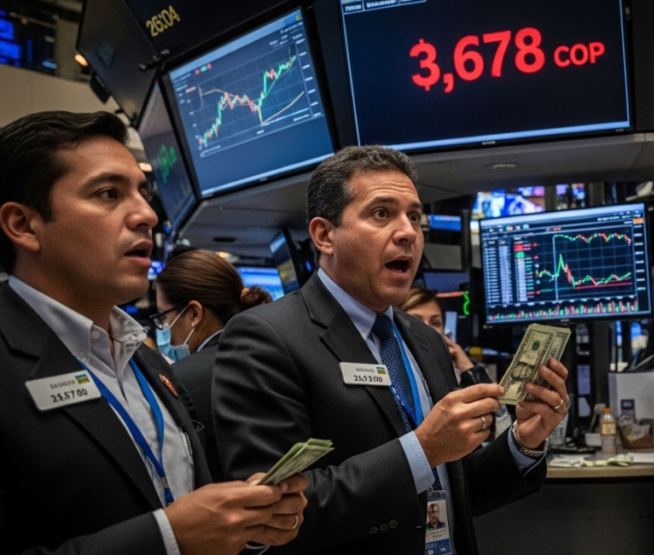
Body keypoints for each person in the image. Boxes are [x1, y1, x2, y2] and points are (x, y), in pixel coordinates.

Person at [213, 145, 569, 555]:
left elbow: (453, 487)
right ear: (324, 235)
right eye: (381, 213)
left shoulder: (426, 340)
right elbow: (272, 510)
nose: (408, 233)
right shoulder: (266, 337)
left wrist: (523, 442)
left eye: (414, 217)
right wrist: (422, 449)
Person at [0, 111, 308, 554]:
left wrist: (245, 523)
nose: (147, 215)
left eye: (143, 194)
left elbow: (186, 503)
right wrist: (168, 540)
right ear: (23, 225)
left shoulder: (144, 359)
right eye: (108, 194)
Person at [154, 248, 273, 481]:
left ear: (194, 314)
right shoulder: (273, 354)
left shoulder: (179, 379)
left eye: (163, 316)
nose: (163, 327)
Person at [400, 286, 512, 436]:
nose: (427, 330)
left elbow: (497, 425)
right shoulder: (394, 372)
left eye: (435, 323)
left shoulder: (451, 376)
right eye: (415, 321)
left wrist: (466, 366)